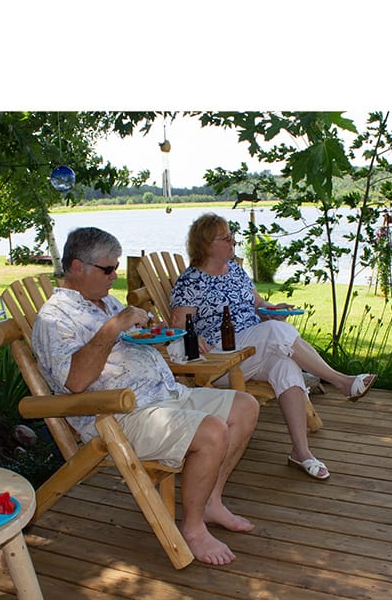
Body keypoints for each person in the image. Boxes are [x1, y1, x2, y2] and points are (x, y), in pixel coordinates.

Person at [32, 226, 259, 566]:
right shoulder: (53, 319)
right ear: (77, 267)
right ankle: (193, 529)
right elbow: (75, 381)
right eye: (108, 269)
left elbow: (130, 343)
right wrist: (112, 328)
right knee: (212, 431)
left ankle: (211, 501)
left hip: (165, 395)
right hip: (118, 414)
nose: (115, 276)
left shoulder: (105, 301)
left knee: (245, 405)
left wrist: (151, 334)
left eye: (116, 268)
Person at [170, 213, 376, 481]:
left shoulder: (236, 271)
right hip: (219, 357)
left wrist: (272, 309)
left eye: (232, 235)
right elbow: (177, 323)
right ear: (206, 244)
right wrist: (191, 334)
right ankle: (340, 381)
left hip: (253, 349)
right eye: (226, 237)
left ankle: (301, 452)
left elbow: (258, 304)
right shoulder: (191, 281)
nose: (234, 241)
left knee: (286, 365)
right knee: (274, 331)